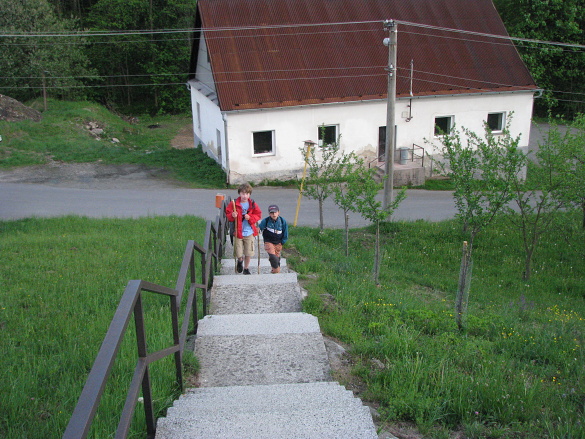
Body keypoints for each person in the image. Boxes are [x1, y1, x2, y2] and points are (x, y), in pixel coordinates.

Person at [225, 182, 262, 275]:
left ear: (249, 194)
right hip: (238, 232)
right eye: (243, 193)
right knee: (238, 252)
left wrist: (250, 218)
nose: (244, 196)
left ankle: (246, 268)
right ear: (239, 193)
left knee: (248, 252)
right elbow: (228, 215)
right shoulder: (234, 203)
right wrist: (232, 215)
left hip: (249, 231)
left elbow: (258, 215)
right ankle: (240, 260)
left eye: (246, 194)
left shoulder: (252, 204)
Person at [258, 204, 288, 273]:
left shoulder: (282, 221)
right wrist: (258, 229)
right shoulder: (266, 221)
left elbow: (285, 232)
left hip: (278, 242)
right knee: (272, 256)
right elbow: (260, 228)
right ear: (269, 214)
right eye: (272, 213)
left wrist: (283, 241)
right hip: (268, 241)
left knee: (276, 257)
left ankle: (275, 270)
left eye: (275, 212)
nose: (274, 214)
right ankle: (276, 270)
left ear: (278, 212)